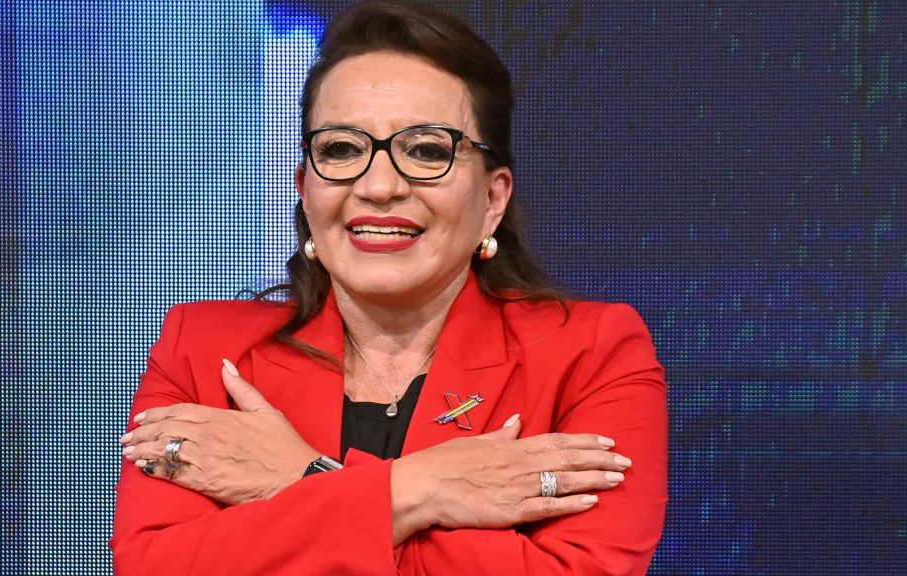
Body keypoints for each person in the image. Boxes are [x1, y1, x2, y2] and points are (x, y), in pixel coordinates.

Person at [112, 1, 667, 574]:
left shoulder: (592, 352)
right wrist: (417, 491)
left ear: (492, 198)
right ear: (305, 188)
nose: (378, 187)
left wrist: (301, 478)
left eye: (427, 150)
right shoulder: (203, 349)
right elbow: (157, 565)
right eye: (341, 149)